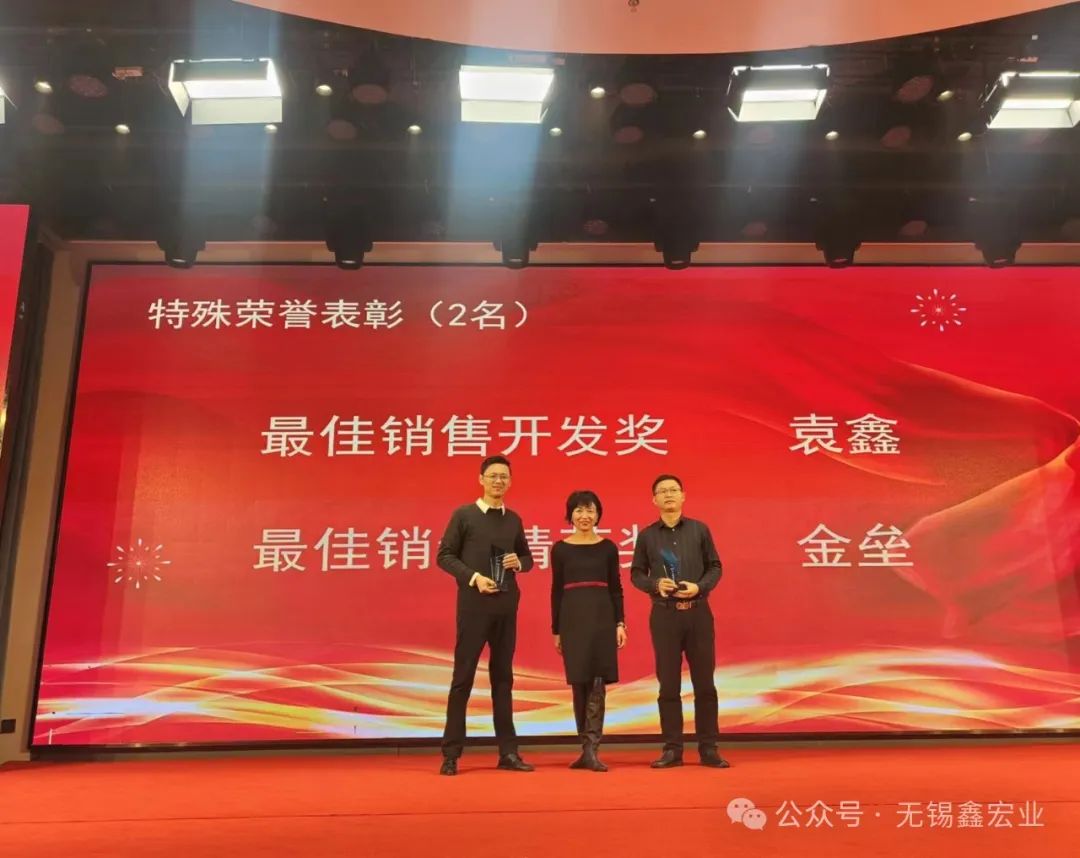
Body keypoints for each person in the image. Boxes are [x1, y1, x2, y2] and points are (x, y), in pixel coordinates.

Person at [436, 455, 535, 776]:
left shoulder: (513, 519)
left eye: (504, 476)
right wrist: (474, 578)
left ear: (510, 482)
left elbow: (527, 557)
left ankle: (508, 752)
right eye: (493, 476)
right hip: (473, 607)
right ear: (481, 479)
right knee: (463, 678)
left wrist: (519, 563)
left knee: (503, 679)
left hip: (506, 607)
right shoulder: (464, 515)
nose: (498, 481)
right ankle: (451, 754)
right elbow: (444, 556)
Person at [630, 474, 729, 769]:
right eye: (662, 491)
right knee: (668, 685)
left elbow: (715, 566)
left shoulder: (699, 530)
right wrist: (654, 584)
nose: (669, 494)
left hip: (698, 613)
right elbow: (636, 574)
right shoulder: (647, 536)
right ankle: (672, 749)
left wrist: (700, 587)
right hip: (665, 615)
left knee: (705, 684)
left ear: (683, 496)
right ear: (654, 500)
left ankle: (709, 748)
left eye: (674, 490)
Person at [550, 490, 627, 772]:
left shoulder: (608, 548)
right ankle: (584, 747)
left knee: (597, 681)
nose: (584, 516)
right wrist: (556, 630)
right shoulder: (560, 549)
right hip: (572, 619)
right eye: (579, 510)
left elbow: (616, 588)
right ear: (570, 515)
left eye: (590, 510)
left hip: (602, 618)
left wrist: (620, 623)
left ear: (598, 515)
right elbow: (556, 591)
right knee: (578, 681)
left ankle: (592, 748)